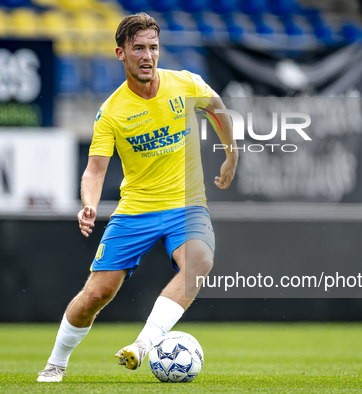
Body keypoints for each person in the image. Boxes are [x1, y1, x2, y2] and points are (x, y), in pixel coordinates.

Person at [37, 12, 237, 382]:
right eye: (139, 48)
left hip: (186, 205)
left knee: (200, 262)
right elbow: (95, 170)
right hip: (136, 210)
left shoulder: (185, 84)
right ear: (121, 53)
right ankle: (55, 363)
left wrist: (231, 154)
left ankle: (143, 346)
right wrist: (89, 203)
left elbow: (217, 108)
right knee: (97, 294)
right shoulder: (112, 112)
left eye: (154, 48)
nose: (148, 56)